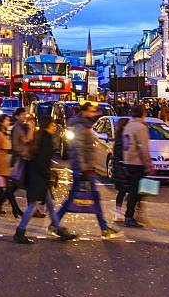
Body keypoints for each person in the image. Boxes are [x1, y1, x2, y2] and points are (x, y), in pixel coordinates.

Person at [56, 103, 123, 239]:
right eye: (92, 111)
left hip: (87, 169)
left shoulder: (85, 125)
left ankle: (103, 228)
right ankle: (55, 224)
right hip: (84, 170)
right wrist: (83, 169)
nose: (95, 113)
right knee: (77, 199)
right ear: (84, 112)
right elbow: (79, 149)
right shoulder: (81, 127)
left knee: (90, 199)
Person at [13, 116, 77, 244]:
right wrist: (48, 174)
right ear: (47, 125)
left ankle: (59, 229)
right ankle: (20, 231)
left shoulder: (40, 138)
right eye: (53, 125)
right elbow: (41, 162)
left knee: (50, 205)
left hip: (38, 178)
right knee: (33, 205)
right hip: (39, 179)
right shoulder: (44, 140)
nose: (55, 127)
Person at [122, 105, 151, 228]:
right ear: (143, 114)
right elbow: (144, 147)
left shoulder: (128, 126)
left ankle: (133, 212)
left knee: (136, 190)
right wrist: (148, 163)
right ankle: (130, 215)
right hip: (137, 162)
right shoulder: (141, 127)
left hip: (128, 161)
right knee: (137, 191)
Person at [111, 117, 131, 222]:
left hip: (119, 166)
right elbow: (123, 152)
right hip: (122, 167)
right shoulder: (124, 137)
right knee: (127, 190)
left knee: (122, 191)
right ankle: (119, 212)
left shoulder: (119, 136)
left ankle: (118, 212)